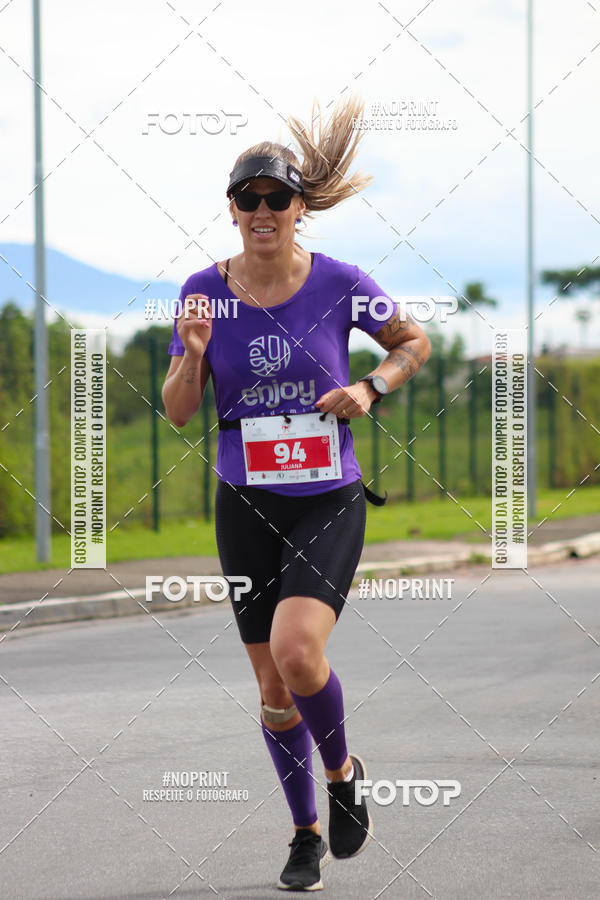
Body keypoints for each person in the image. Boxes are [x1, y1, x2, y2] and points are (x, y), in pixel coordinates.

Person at [162, 96, 431, 892]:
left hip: (327, 497)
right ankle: (305, 832)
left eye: (277, 197)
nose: (263, 211)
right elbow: (181, 411)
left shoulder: (342, 282)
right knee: (274, 693)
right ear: (234, 211)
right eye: (249, 199)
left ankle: (343, 774)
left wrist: (372, 386)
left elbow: (413, 341)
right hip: (244, 503)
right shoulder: (201, 290)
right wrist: (192, 354)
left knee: (297, 650)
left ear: (299, 206)